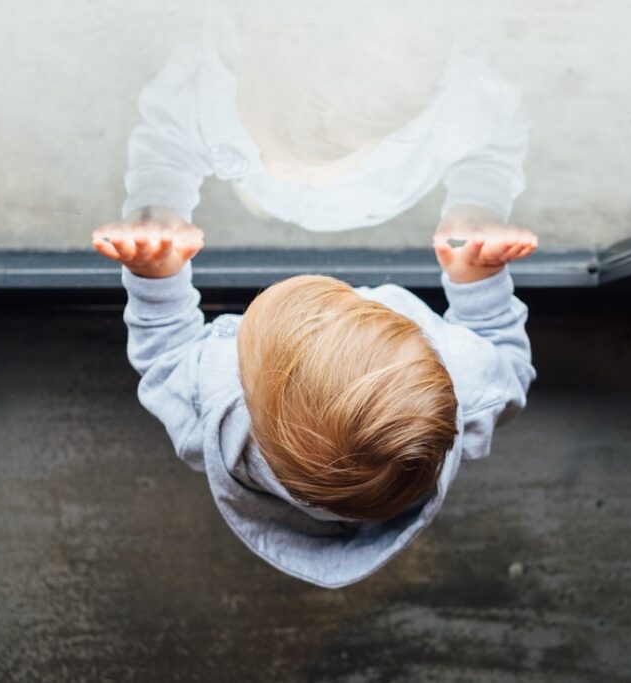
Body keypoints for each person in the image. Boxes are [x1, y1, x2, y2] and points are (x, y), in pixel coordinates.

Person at [90, 221, 538, 588]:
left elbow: (167, 359)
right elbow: (510, 368)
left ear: (246, 386)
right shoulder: (467, 379)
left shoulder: (217, 416)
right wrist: (478, 282)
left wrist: (155, 277)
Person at [123, 2, 529, 240]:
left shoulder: (461, 109)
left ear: (391, 133)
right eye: (262, 144)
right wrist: (157, 202)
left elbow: (492, 150)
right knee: (260, 190)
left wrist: (477, 204)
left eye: (301, 162)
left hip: (379, 204)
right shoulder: (211, 77)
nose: (271, 166)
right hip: (258, 196)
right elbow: (170, 138)